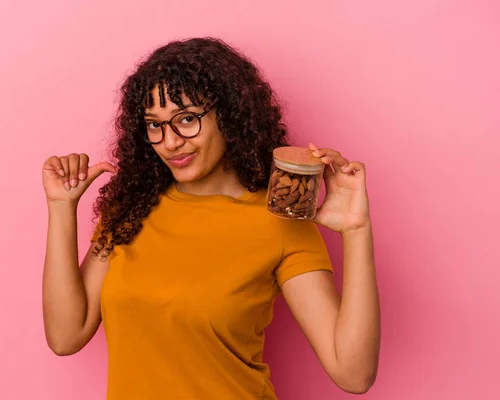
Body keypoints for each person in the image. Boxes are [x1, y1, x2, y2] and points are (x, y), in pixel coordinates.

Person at [42, 37, 380, 399]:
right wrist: (62, 207)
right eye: (154, 125)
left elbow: (352, 373)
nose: (169, 142)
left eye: (187, 119)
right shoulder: (130, 210)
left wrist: (356, 230)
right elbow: (66, 336)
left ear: (229, 115)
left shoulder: (278, 220)